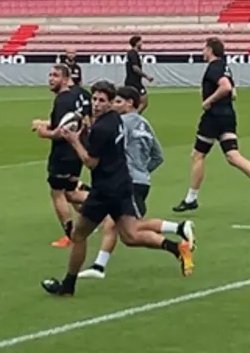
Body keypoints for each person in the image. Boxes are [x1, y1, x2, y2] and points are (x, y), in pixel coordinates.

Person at [42, 82, 194, 296]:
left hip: (104, 191)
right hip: (122, 186)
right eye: (94, 99)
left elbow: (90, 162)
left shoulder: (102, 128)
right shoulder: (115, 119)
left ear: (111, 102)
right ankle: (176, 247)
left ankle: (68, 285)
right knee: (130, 236)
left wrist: (74, 140)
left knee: (78, 235)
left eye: (102, 100)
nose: (96, 104)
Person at [79, 87, 193, 279]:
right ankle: (99, 266)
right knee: (116, 227)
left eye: (117, 102)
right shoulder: (144, 123)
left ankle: (178, 230)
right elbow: (158, 156)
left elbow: (108, 146)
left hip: (125, 181)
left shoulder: (120, 123)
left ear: (130, 103)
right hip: (140, 181)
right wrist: (143, 172)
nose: (113, 106)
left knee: (132, 231)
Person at [173, 37, 250, 215]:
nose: (203, 52)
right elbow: (233, 93)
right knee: (233, 155)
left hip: (214, 117)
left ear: (210, 50)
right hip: (228, 115)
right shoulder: (225, 67)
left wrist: (208, 101)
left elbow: (226, 87)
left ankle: (191, 198)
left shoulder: (214, 67)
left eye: (204, 48)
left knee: (198, 155)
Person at [31, 66, 90, 251]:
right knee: (70, 193)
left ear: (65, 79)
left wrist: (44, 133)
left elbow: (60, 132)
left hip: (64, 153)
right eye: (50, 75)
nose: (51, 79)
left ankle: (70, 234)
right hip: (78, 149)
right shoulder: (78, 95)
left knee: (57, 192)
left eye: (55, 76)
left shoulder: (62, 100)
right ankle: (99, 205)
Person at [124, 33, 151, 113]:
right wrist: (147, 76)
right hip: (134, 83)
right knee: (143, 102)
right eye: (141, 42)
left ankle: (132, 116)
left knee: (135, 103)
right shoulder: (133, 53)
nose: (142, 43)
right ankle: (133, 117)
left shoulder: (132, 53)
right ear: (137, 43)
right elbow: (135, 68)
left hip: (133, 82)